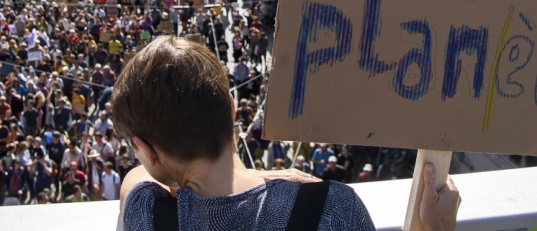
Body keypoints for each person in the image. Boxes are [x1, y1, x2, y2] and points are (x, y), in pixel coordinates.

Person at [113, 36, 461, 231]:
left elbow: (135, 178)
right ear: (232, 109)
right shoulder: (332, 207)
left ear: (147, 151)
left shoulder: (146, 216)